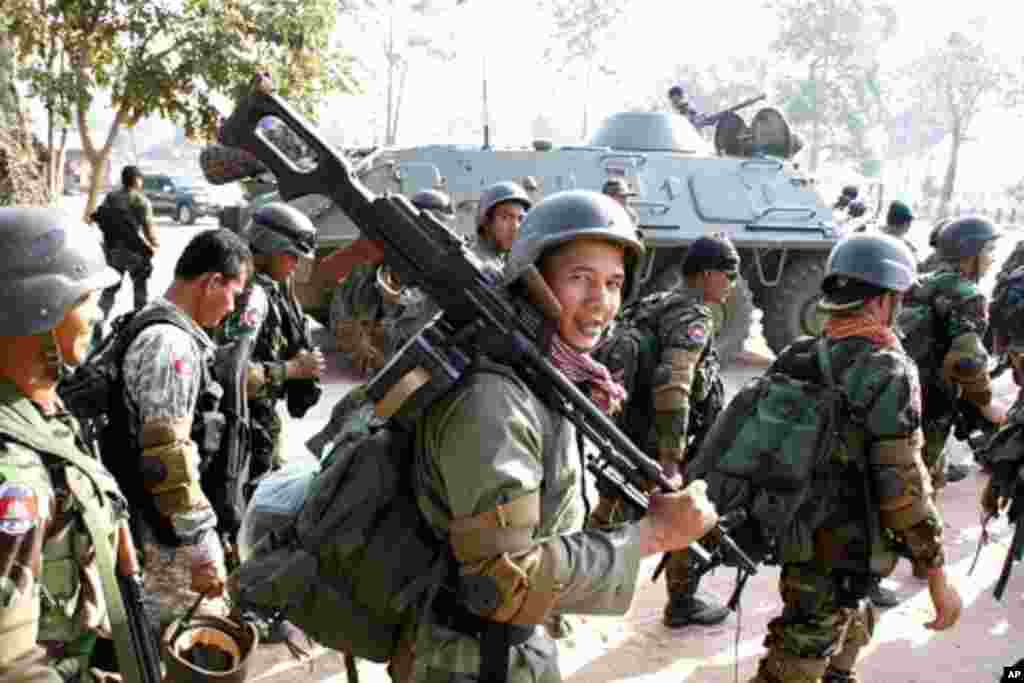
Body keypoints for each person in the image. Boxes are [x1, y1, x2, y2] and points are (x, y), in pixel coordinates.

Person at [391, 190, 719, 682]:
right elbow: (501, 581)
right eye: (579, 279)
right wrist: (654, 536)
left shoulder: (547, 377)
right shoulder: (495, 403)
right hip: (468, 663)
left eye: (613, 283)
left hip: (510, 650)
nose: (600, 301)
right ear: (531, 282)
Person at [749, 233, 961, 683]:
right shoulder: (887, 366)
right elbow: (903, 483)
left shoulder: (798, 353)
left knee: (846, 624)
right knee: (799, 655)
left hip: (794, 525)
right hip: (846, 542)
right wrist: (937, 574)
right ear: (885, 301)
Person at [0, 208, 128, 682]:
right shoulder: (14, 469)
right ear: (40, 310)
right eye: (85, 298)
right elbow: (11, 666)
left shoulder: (39, 411)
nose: (96, 313)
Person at [591, 234, 738, 628]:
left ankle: (573, 582)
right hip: (662, 439)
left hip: (631, 428)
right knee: (687, 511)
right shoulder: (693, 316)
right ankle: (682, 602)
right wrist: (672, 458)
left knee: (610, 506)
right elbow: (675, 383)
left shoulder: (654, 302)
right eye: (729, 274)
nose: (732, 284)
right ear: (707, 275)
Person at [117, 229, 252, 631]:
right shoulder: (170, 344)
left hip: (161, 531)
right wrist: (202, 545)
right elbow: (166, 458)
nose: (233, 307)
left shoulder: (159, 327)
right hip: (166, 545)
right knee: (197, 649)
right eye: (235, 292)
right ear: (212, 282)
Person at [900, 217, 1006, 508]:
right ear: (970, 254)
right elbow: (967, 362)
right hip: (934, 400)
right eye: (989, 251)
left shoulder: (921, 283)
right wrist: (986, 405)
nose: (992, 259)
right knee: (917, 481)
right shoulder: (968, 296)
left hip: (902, 390)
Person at [215, 202, 325, 481]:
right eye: (291, 256)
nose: (296, 265)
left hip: (257, 427)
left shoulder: (271, 288)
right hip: (239, 433)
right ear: (268, 248)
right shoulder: (250, 296)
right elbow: (232, 373)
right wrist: (294, 370)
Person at [327, 190, 452, 375]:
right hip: (371, 372)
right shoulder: (372, 267)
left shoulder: (447, 278)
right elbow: (341, 313)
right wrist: (357, 340)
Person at [93, 165, 160, 338]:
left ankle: (98, 323)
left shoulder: (111, 197)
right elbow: (149, 231)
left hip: (113, 252)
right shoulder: (140, 201)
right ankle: (139, 328)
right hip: (134, 253)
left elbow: (101, 218)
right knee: (140, 291)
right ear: (137, 180)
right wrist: (155, 245)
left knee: (109, 290)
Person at [473, 180, 532, 272]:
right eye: (505, 217)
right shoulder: (470, 262)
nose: (515, 227)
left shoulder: (505, 264)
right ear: (486, 221)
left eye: (520, 219)